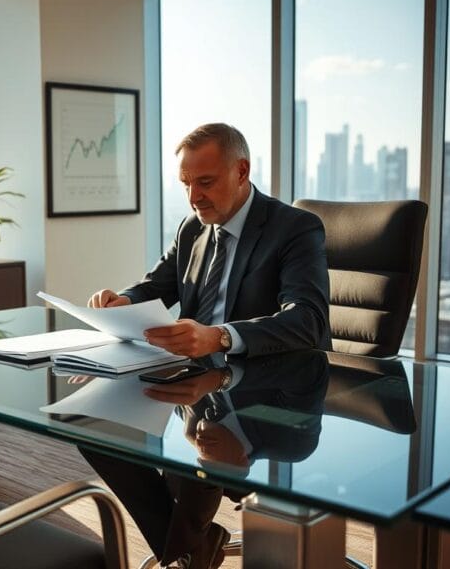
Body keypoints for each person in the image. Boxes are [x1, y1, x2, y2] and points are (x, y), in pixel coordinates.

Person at [82, 123, 331, 569]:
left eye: (205, 182)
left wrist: (219, 336)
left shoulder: (294, 228)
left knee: (200, 458)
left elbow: (308, 320)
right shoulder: (192, 229)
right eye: (185, 184)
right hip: (198, 383)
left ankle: (187, 552)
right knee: (91, 423)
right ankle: (191, 549)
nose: (194, 196)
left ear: (241, 171)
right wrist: (122, 301)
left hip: (270, 393)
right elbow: (155, 284)